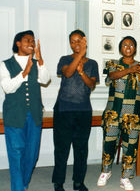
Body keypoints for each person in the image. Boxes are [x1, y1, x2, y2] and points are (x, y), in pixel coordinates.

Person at [97, 36, 140, 191]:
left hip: (133, 115)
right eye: (125, 45)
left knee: (130, 146)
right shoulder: (113, 64)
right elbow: (111, 77)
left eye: (131, 45)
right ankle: (106, 171)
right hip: (113, 112)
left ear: (135, 48)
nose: (128, 47)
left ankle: (125, 177)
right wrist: (129, 70)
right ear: (120, 48)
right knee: (109, 144)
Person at [0, 30, 50, 191]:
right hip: (14, 115)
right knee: (16, 154)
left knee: (32, 154)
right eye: (27, 40)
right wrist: (25, 72)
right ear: (18, 43)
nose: (31, 43)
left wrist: (40, 59)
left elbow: (45, 79)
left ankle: (23, 185)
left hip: (34, 115)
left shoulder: (37, 62)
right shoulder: (5, 64)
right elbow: (7, 88)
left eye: (33, 41)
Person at [52, 29, 100, 191]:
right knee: (61, 148)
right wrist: (79, 57)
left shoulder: (92, 63)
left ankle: (78, 181)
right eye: (72, 41)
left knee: (81, 149)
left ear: (84, 41)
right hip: (63, 110)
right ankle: (58, 182)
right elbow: (67, 72)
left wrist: (82, 72)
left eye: (79, 40)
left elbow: (91, 85)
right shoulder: (64, 59)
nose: (76, 44)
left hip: (83, 111)